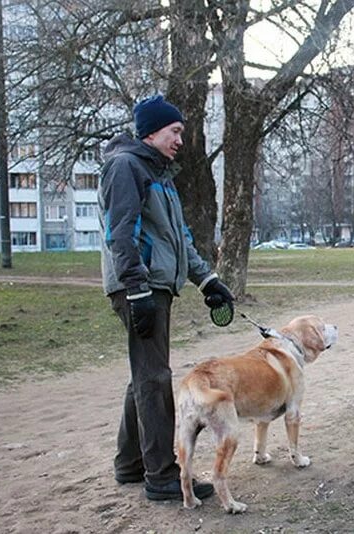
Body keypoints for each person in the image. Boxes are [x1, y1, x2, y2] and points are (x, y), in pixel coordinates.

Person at [98, 95, 234, 501]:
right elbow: (119, 233)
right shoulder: (126, 167)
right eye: (175, 132)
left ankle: (129, 465)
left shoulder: (160, 174)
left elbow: (180, 240)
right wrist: (136, 289)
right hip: (139, 287)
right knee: (154, 378)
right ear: (151, 131)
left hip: (154, 286)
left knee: (146, 371)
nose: (180, 140)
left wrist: (208, 280)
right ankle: (161, 476)